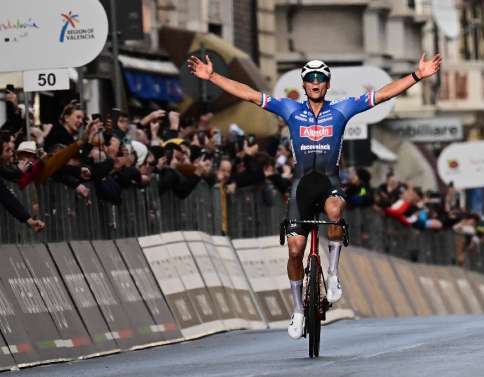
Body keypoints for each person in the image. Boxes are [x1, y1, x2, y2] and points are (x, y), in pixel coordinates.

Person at [188, 53, 442, 339]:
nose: (315, 83)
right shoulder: (290, 109)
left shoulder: (342, 109)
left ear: (328, 84)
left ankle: (332, 274)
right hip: (301, 185)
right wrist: (212, 77)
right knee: (295, 250)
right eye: (310, 78)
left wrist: (417, 76)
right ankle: (297, 309)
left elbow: (381, 95)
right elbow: (249, 95)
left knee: (335, 211)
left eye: (320, 78)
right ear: (304, 84)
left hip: (330, 181)